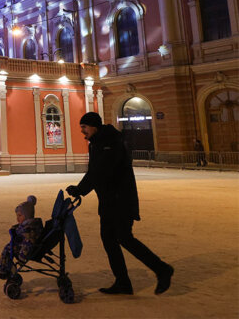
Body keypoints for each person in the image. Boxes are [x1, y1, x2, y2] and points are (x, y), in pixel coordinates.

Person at [66, 112, 174, 295]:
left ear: (94, 126)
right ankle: (123, 282)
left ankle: (162, 269)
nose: (82, 131)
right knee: (109, 239)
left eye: (84, 127)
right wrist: (80, 188)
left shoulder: (111, 142)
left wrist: (80, 189)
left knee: (124, 237)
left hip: (121, 199)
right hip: (108, 200)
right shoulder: (97, 143)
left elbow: (102, 171)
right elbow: (94, 171)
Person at [0, 196, 43, 279]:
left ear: (27, 215)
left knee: (7, 250)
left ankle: (5, 271)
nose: (17, 218)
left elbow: (28, 244)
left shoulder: (29, 230)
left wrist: (22, 258)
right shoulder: (30, 226)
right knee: (8, 248)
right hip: (22, 248)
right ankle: (3, 269)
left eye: (20, 215)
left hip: (24, 252)